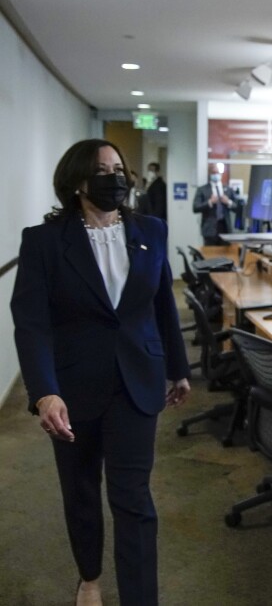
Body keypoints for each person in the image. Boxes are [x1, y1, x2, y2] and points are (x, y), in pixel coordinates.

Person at [10, 139, 191, 606]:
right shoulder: (44, 241)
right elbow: (31, 324)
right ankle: (89, 577)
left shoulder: (150, 229)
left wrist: (178, 366)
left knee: (133, 499)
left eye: (118, 169)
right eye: (101, 171)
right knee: (82, 491)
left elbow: (161, 303)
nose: (114, 178)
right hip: (72, 387)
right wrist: (44, 392)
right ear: (76, 182)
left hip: (137, 381)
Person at [192, 163, 239, 245]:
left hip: (225, 228)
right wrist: (210, 202)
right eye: (213, 172)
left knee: (227, 255)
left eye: (217, 173)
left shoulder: (228, 189)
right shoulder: (202, 189)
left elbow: (237, 208)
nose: (216, 175)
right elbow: (195, 208)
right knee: (211, 255)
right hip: (209, 230)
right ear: (209, 174)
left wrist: (228, 202)